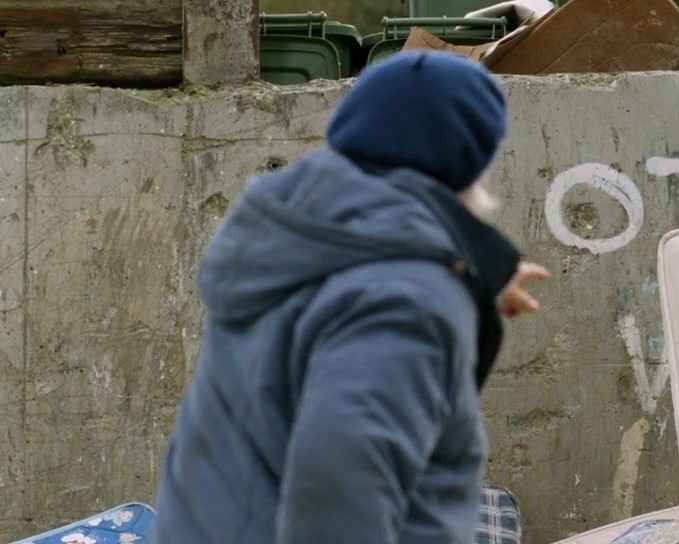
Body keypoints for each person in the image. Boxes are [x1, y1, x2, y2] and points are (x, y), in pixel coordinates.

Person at [152, 50, 549, 543]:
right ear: (470, 159)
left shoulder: (296, 239)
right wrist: (440, 287)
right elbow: (342, 480)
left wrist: (473, 278)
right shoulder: (406, 299)